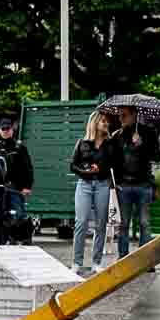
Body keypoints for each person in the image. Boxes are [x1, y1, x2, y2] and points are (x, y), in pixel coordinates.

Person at [69, 111, 118, 274]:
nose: (106, 124)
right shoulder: (82, 143)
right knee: (81, 222)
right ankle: (77, 262)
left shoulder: (110, 144)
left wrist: (100, 168)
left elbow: (114, 165)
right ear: (95, 123)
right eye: (103, 121)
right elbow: (72, 165)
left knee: (101, 224)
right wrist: (86, 171)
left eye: (107, 122)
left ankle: (96, 262)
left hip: (103, 184)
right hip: (84, 184)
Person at [114, 120, 160, 257]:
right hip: (124, 186)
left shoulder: (148, 132)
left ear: (134, 114)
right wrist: (116, 182)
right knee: (123, 224)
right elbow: (113, 160)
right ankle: (123, 258)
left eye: (125, 115)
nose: (121, 118)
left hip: (143, 185)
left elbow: (157, 157)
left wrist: (142, 145)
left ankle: (144, 260)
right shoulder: (118, 135)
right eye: (120, 115)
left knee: (144, 223)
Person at [0, 113, 34, 198]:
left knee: (16, 209)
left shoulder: (19, 147)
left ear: (12, 130)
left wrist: (27, 187)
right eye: (3, 128)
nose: (5, 131)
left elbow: (28, 168)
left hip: (16, 187)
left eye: (8, 128)